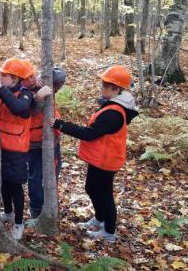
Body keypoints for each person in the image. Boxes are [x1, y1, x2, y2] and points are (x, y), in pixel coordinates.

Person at [50, 65, 138, 243]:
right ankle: (100, 218)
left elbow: (89, 134)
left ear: (117, 89)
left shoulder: (114, 113)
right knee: (91, 188)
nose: (102, 87)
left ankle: (109, 231)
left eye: (106, 85)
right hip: (101, 157)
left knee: (104, 194)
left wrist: (60, 125)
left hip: (107, 160)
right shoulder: (112, 105)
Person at [21, 65, 66, 219]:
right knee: (35, 177)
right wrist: (38, 96)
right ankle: (36, 210)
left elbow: (60, 77)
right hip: (34, 143)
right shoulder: (22, 93)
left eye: (33, 75)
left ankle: (50, 205)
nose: (31, 79)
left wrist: (44, 80)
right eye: (26, 78)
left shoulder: (43, 85)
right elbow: (33, 109)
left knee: (54, 172)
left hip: (52, 139)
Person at [0, 58, 34, 240]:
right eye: (1, 75)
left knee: (16, 186)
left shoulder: (26, 94)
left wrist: (0, 89)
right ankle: (9, 212)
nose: (1, 78)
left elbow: (19, 109)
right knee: (4, 183)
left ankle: (19, 223)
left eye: (5, 76)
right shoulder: (3, 93)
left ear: (16, 79)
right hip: (0, 148)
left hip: (17, 151)